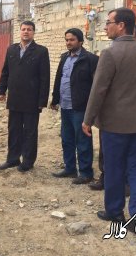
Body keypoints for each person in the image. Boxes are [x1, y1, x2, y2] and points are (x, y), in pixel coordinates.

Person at [82, 8, 136, 230]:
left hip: (115, 126)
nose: (106, 26)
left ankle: (115, 212)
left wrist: (88, 119)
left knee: (114, 169)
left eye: (109, 22)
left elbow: (98, 90)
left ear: (122, 25)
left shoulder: (110, 53)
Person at [89, 23, 136, 192]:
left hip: (132, 113)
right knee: (106, 149)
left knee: (128, 151)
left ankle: (126, 182)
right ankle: (105, 177)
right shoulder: (111, 54)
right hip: (110, 113)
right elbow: (100, 85)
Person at [0, 21, 50, 172]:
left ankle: (28, 161)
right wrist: (1, 91)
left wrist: (42, 101)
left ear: (33, 32)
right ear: (19, 31)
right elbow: (5, 71)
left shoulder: (41, 51)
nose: (26, 32)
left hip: (32, 100)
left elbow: (44, 78)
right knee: (14, 129)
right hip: (14, 97)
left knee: (30, 132)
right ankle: (13, 159)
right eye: (23, 29)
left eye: (29, 29)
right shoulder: (11, 49)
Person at [50, 28, 98, 184]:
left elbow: (96, 85)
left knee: (82, 140)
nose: (68, 43)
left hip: (81, 108)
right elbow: (59, 79)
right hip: (65, 106)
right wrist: (55, 99)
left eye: (71, 40)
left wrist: (92, 107)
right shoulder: (64, 58)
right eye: (66, 40)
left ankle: (86, 173)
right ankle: (70, 168)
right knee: (67, 139)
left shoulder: (90, 59)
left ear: (80, 41)